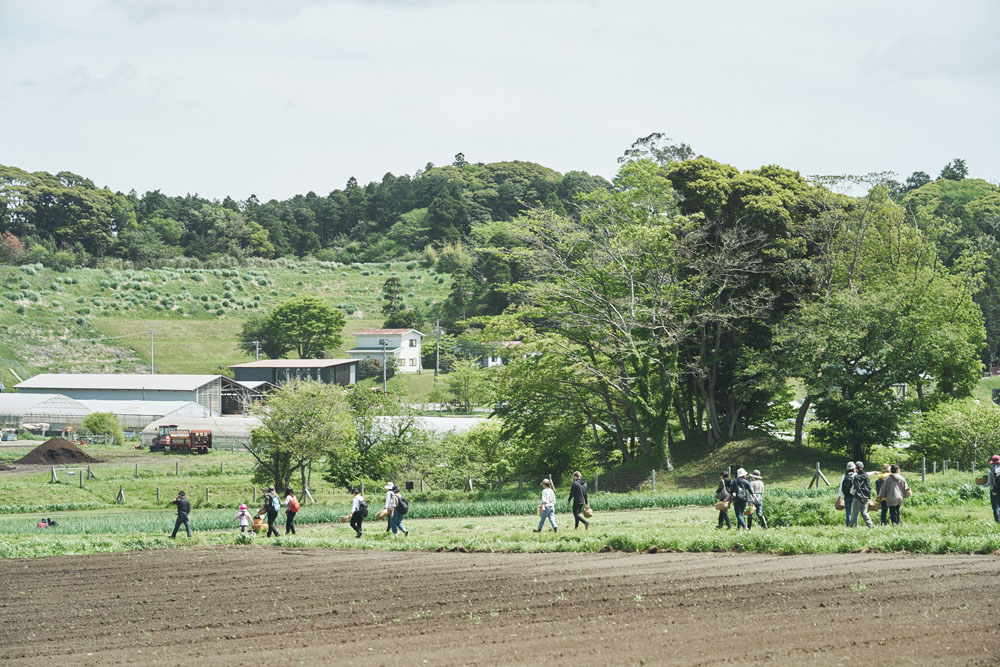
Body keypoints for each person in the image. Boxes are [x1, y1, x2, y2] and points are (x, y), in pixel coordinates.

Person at [849, 461, 873, 528]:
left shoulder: (856, 477)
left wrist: (859, 496)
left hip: (858, 497)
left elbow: (857, 488)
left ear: (856, 468)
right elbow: (869, 487)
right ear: (863, 467)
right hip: (865, 497)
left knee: (855, 513)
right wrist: (868, 496)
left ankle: (851, 526)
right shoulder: (866, 476)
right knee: (865, 512)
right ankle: (870, 525)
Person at [839, 462, 856, 526]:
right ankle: (854, 524)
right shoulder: (855, 475)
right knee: (855, 511)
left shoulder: (844, 476)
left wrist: (839, 496)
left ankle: (848, 524)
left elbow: (841, 486)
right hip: (855, 495)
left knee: (848, 511)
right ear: (854, 468)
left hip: (846, 495)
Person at [986, 454, 1000, 523]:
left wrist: (983, 485)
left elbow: (989, 482)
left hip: (994, 490)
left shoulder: (990, 470)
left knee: (996, 507)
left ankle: (997, 521)